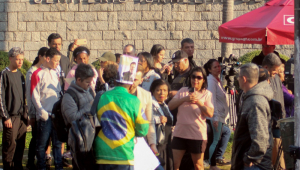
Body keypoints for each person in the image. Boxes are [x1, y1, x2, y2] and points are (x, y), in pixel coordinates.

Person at [93, 56, 149, 170]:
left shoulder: (102, 96)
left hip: (101, 152)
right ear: (130, 84)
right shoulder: (134, 101)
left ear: (114, 81)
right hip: (123, 153)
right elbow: (143, 129)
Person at [168, 67, 214, 170]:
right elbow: (170, 106)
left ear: (204, 80)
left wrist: (198, 102)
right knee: (175, 165)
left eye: (199, 77)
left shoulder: (207, 94)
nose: (195, 80)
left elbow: (210, 113)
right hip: (180, 133)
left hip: (196, 135)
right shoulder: (183, 91)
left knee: (198, 166)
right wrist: (185, 99)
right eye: (193, 77)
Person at [231, 63, 273, 170]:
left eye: (238, 77)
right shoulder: (250, 98)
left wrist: (250, 158)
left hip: (255, 165)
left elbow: (260, 137)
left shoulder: (255, 102)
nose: (237, 80)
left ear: (244, 79)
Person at [31, 48, 63, 170]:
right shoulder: (37, 73)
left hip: (56, 115)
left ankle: (59, 166)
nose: (57, 64)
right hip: (45, 115)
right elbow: (34, 95)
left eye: (59, 61)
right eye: (56, 61)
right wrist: (41, 111)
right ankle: (41, 166)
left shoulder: (56, 72)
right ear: (48, 59)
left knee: (57, 144)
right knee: (42, 144)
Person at [61, 63, 95, 169]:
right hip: (79, 140)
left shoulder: (89, 90)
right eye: (87, 82)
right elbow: (73, 119)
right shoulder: (69, 96)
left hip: (92, 137)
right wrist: (89, 106)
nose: (90, 84)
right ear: (78, 80)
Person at [0, 47, 28, 170]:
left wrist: (26, 114)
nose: (20, 62)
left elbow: (23, 96)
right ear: (10, 58)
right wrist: (5, 117)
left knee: (20, 145)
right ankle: (8, 166)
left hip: (21, 117)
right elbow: (0, 97)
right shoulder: (4, 74)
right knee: (9, 145)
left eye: (22, 59)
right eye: (17, 59)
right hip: (10, 117)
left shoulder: (20, 74)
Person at [127, 65, 157, 167]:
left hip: (138, 138)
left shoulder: (146, 95)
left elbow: (150, 121)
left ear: (141, 81)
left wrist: (152, 144)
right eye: (131, 79)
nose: (132, 82)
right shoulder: (116, 92)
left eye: (135, 80)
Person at [203, 59, 230, 170]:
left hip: (219, 116)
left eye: (219, 66)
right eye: (215, 67)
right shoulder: (211, 81)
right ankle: (211, 164)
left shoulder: (217, 80)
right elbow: (211, 99)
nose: (218, 68)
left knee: (216, 139)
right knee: (214, 140)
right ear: (209, 69)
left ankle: (212, 161)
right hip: (215, 117)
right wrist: (215, 117)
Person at [25, 47, 49, 170]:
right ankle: (30, 162)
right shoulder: (32, 72)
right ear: (40, 57)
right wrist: (32, 114)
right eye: (46, 57)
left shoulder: (44, 71)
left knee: (41, 139)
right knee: (36, 139)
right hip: (36, 111)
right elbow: (30, 95)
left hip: (44, 112)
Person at [150, 79, 174, 170]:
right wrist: (158, 119)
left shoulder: (164, 105)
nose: (162, 93)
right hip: (157, 142)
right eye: (158, 90)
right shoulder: (150, 104)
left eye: (165, 90)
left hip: (167, 142)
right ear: (153, 91)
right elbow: (145, 119)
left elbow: (170, 120)